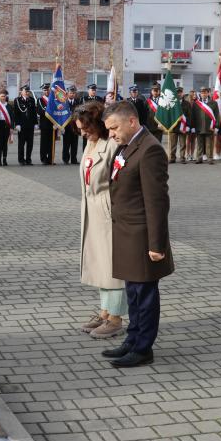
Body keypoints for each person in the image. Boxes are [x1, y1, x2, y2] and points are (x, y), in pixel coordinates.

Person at [101, 101, 174, 367]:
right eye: (109, 129)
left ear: (132, 122)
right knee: (132, 292)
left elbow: (157, 202)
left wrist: (156, 244)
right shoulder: (127, 145)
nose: (111, 134)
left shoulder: (150, 150)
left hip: (142, 237)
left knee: (145, 295)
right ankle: (132, 340)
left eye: (114, 128)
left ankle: (143, 348)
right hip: (127, 234)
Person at [75, 102, 127, 339]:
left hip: (108, 211)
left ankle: (116, 318)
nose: (82, 133)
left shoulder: (112, 145)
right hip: (92, 210)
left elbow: (121, 182)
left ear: (97, 125)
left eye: (86, 128)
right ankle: (105, 312)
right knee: (99, 265)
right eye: (80, 129)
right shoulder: (91, 142)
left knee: (112, 268)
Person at [192, 87, 220, 165]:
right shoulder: (196, 103)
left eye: (205, 92)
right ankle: (199, 158)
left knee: (209, 144)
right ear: (200, 94)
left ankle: (210, 158)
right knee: (199, 144)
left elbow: (217, 115)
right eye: (202, 93)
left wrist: (216, 126)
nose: (203, 94)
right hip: (199, 127)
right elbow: (193, 116)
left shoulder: (214, 103)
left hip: (209, 127)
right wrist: (193, 127)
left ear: (208, 93)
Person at [14, 85, 37, 165]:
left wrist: (36, 123)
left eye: (28, 91)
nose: (27, 93)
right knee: (21, 144)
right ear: (21, 92)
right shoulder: (17, 100)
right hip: (22, 125)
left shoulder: (32, 100)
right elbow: (16, 113)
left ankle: (28, 159)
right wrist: (17, 124)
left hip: (30, 125)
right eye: (25, 91)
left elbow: (34, 112)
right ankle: (21, 160)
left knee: (30, 144)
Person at [167, 86, 190, 164]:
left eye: (180, 92)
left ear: (182, 93)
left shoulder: (187, 103)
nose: (179, 94)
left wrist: (188, 126)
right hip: (173, 126)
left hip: (183, 126)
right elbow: (169, 115)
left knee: (183, 144)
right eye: (177, 92)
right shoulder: (171, 103)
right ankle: (172, 158)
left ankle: (182, 158)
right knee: (173, 144)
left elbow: (189, 116)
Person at [0, 90, 14, 166]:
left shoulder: (9, 106)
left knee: (5, 143)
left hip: (6, 125)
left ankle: (4, 159)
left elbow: (12, 117)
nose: (3, 98)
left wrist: (12, 127)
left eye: (4, 96)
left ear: (6, 97)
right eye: (1, 96)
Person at [62, 86, 82, 165]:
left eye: (73, 93)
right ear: (67, 94)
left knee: (74, 144)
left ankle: (74, 159)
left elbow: (80, 114)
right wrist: (62, 126)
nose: (72, 94)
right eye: (70, 93)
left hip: (75, 126)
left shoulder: (78, 102)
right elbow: (61, 115)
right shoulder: (64, 102)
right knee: (66, 144)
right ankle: (65, 159)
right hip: (66, 126)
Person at [38, 83, 54, 165]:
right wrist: (50, 110)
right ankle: (43, 158)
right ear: (43, 91)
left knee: (51, 142)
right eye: (45, 90)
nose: (46, 92)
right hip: (44, 124)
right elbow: (40, 111)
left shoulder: (53, 99)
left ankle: (51, 159)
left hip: (52, 124)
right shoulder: (40, 100)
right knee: (44, 142)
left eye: (47, 90)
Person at [186, 90, 198, 160]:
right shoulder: (187, 103)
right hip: (188, 124)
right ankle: (187, 155)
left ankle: (192, 155)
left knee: (193, 140)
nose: (194, 96)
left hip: (195, 124)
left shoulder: (197, 103)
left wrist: (195, 126)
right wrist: (187, 125)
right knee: (188, 140)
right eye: (193, 94)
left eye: (195, 94)